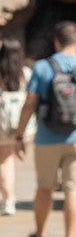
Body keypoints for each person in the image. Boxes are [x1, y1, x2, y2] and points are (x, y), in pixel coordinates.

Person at [14, 21, 76, 237]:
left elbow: (29, 104)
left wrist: (20, 135)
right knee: (73, 189)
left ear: (55, 41)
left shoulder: (43, 67)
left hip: (46, 139)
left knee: (44, 189)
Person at [0, 40, 32, 215]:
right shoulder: (25, 73)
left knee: (4, 161)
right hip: (20, 124)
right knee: (9, 160)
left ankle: (8, 199)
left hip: (2, 125)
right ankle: (8, 197)